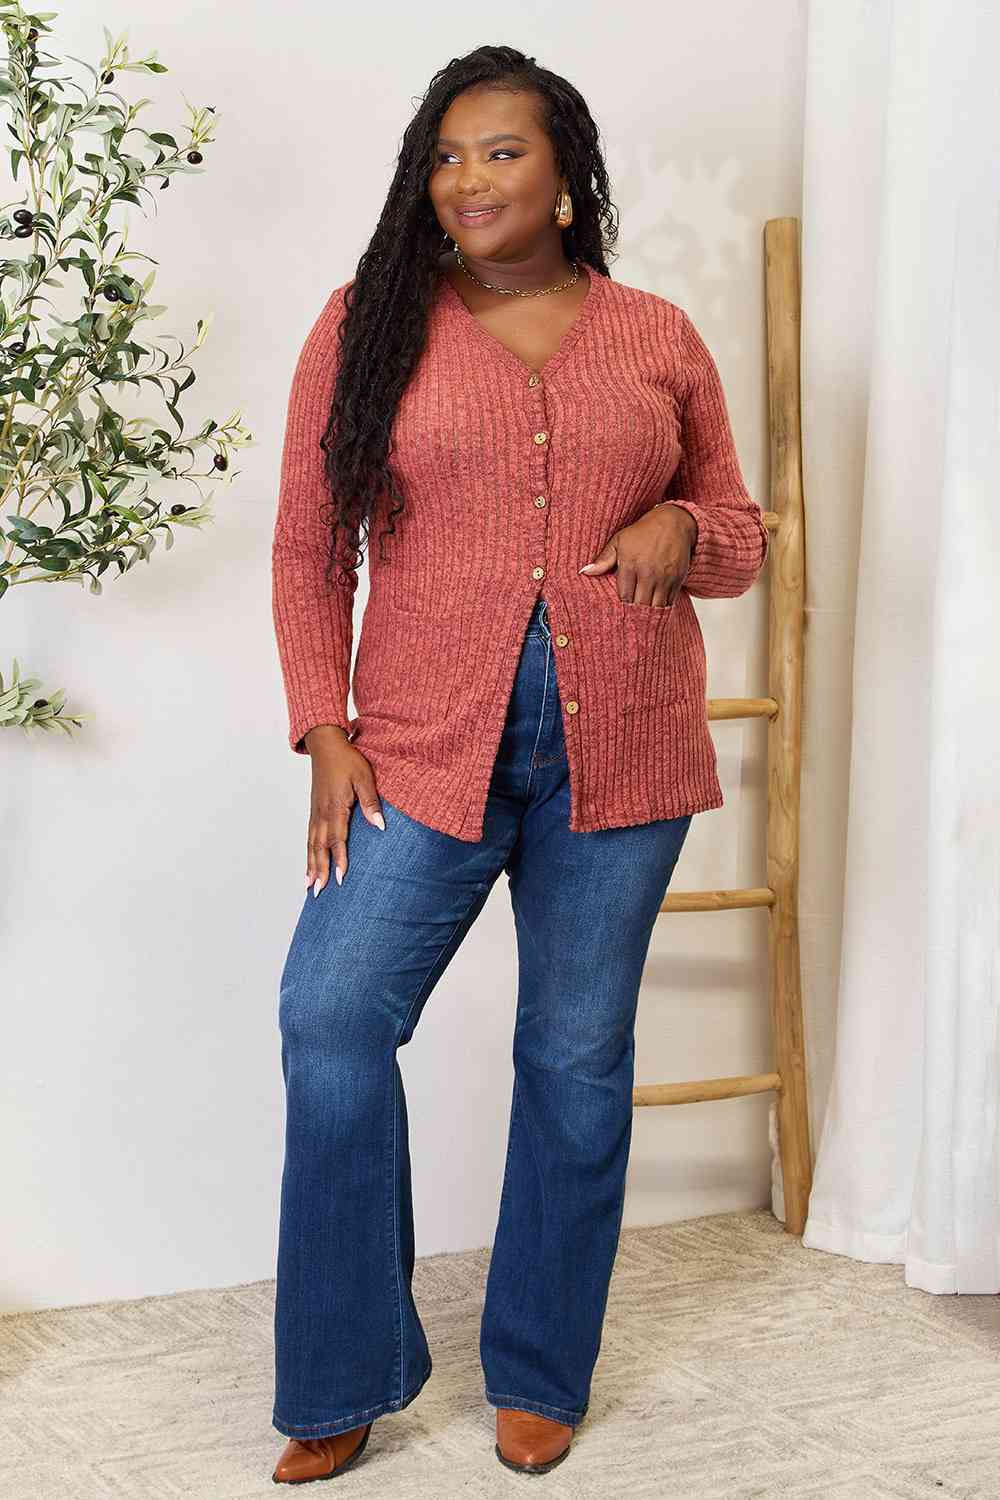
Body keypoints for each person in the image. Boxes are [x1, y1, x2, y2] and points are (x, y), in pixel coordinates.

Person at [268, 44, 769, 1485]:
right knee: (332, 1013)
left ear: (565, 177)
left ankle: (542, 1365)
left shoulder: (657, 334)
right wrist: (323, 727)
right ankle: (345, 1369)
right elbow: (309, 543)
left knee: (573, 1053)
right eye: (445, 156)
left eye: (500, 152)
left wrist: (684, 528)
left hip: (627, 752)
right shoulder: (367, 321)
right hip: (421, 752)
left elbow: (737, 531)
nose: (468, 179)